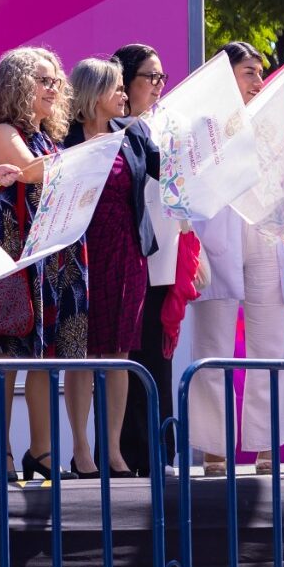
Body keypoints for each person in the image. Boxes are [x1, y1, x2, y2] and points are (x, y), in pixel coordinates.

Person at [175, 43, 284, 474]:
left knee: (271, 341)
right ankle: (215, 450)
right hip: (218, 233)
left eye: (260, 73)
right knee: (214, 345)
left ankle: (267, 448)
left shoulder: (271, 121)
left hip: (265, 233)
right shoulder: (202, 124)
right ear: (225, 76)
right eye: (249, 73)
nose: (258, 82)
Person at [0, 49, 73, 480]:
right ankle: (1, 453)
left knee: (44, 357)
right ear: (18, 85)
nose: (54, 88)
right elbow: (31, 172)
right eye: (44, 81)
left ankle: (42, 452)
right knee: (5, 354)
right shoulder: (3, 130)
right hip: (10, 255)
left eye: (56, 82)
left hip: (47, 255)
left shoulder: (48, 137)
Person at [62, 55, 159, 475]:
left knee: (119, 352)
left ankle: (113, 451)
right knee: (81, 351)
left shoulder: (133, 133)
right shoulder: (62, 138)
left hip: (126, 255)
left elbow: (167, 170)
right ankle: (81, 451)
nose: (125, 94)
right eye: (117, 87)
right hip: (79, 254)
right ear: (93, 92)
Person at [113, 43, 181, 475]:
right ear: (124, 81)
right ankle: (126, 452)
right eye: (149, 78)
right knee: (126, 358)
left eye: (162, 78)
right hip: (125, 256)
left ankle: (161, 451)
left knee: (158, 356)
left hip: (164, 254)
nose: (157, 86)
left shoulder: (165, 126)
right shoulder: (110, 130)